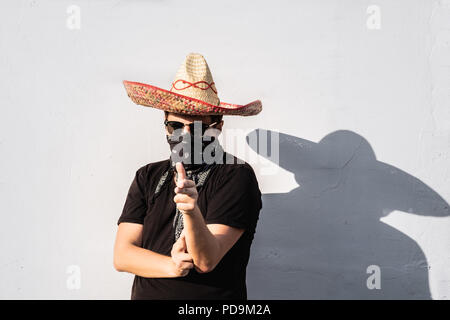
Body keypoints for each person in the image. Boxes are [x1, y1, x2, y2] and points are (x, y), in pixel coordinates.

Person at [114, 53, 263, 299]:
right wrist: (172, 266)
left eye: (197, 128)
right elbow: (122, 255)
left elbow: (206, 260)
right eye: (176, 126)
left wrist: (192, 212)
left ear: (218, 127)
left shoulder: (235, 175)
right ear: (165, 125)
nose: (185, 135)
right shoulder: (148, 176)